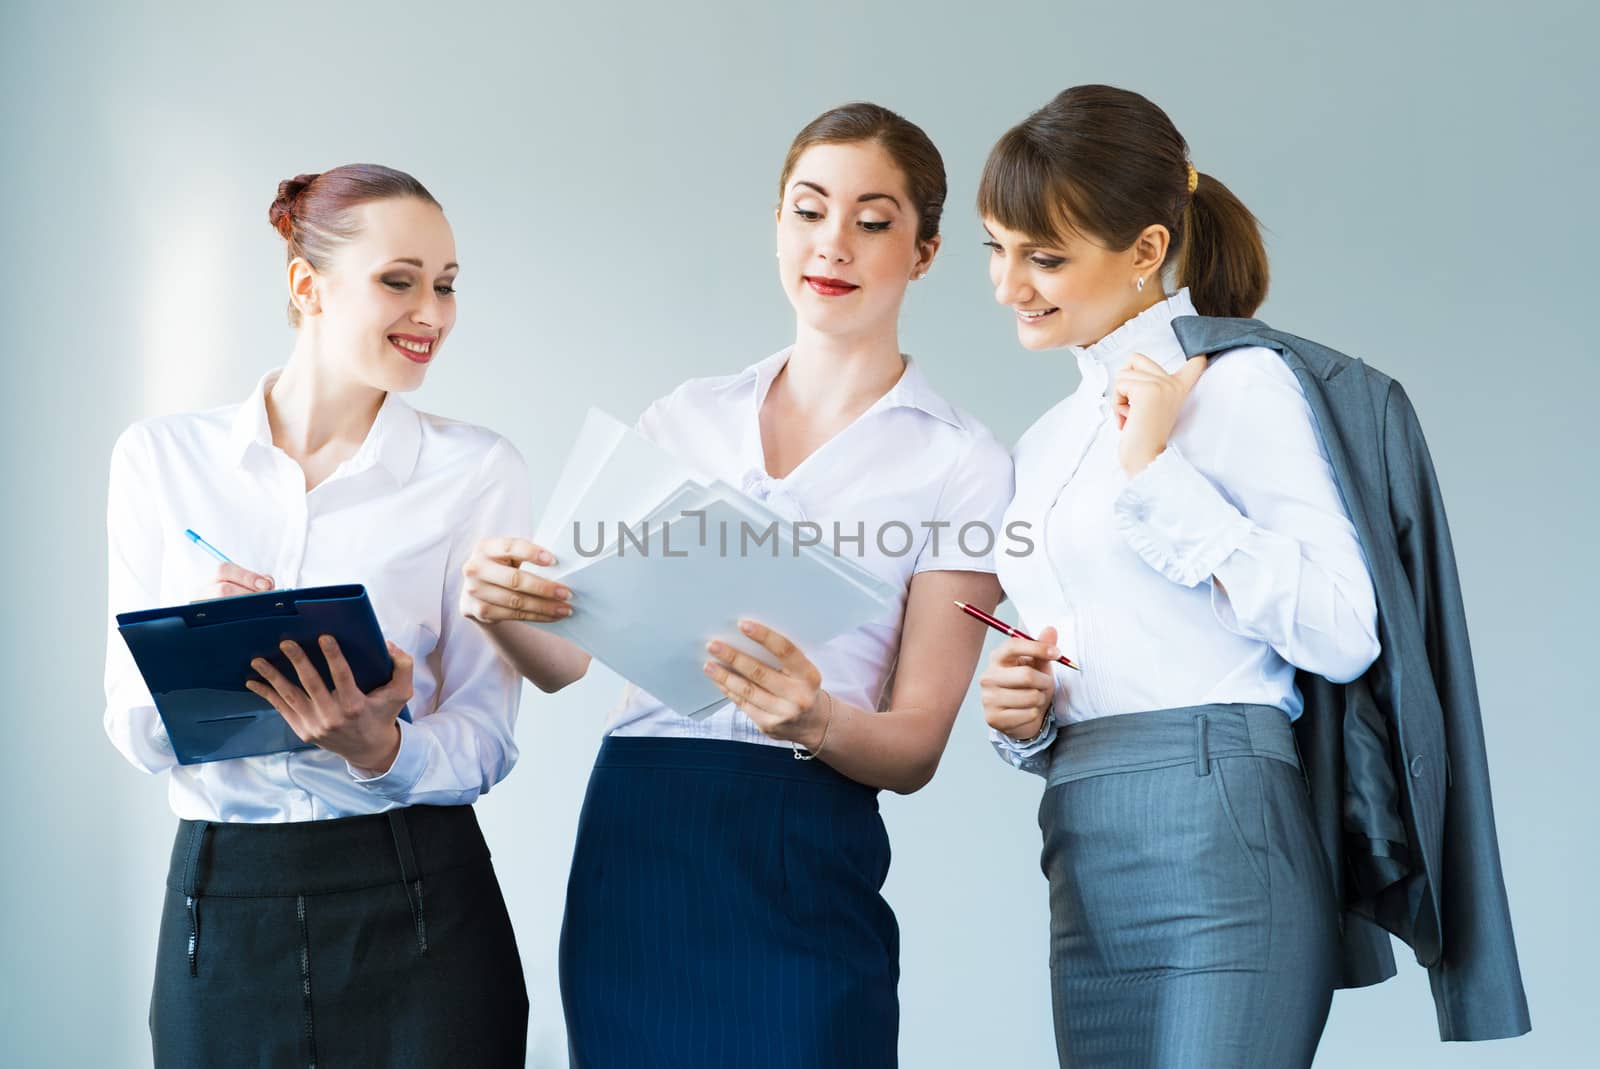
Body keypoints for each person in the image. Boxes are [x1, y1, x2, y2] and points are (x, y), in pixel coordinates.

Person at [462, 102, 1014, 1067]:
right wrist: (501, 610)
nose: (832, 243)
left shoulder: (961, 460)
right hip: (641, 830)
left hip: (803, 832)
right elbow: (559, 664)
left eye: (873, 220)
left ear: (923, 253)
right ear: (777, 224)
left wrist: (817, 719)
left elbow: (917, 743)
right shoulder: (685, 418)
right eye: (808, 211)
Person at [976, 85, 1380, 1067]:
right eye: (996, 247)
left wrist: (1155, 473)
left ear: (1147, 250)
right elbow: (1105, 647)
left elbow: (1342, 628)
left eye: (1045, 255)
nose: (1009, 284)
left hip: (1219, 827)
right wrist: (1023, 714)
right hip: (1080, 832)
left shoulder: (1240, 385)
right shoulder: (1042, 441)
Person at [104, 165, 536, 1066]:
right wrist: (204, 651)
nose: (434, 312)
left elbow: (488, 739)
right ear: (307, 286)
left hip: (421, 895)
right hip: (225, 903)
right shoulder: (160, 460)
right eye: (400, 279)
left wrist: (380, 748)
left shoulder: (478, 471)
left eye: (447, 285)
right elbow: (135, 730)